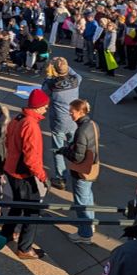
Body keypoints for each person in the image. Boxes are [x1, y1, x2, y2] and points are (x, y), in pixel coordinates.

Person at [1, 89, 50, 260]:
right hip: (23, 174)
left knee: (16, 204)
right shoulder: (31, 125)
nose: (46, 109)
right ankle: (24, 248)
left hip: (11, 169)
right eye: (45, 106)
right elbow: (31, 157)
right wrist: (43, 177)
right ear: (38, 107)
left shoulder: (18, 117)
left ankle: (6, 234)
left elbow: (7, 141)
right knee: (32, 211)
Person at [60, 99, 100, 245]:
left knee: (81, 203)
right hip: (92, 168)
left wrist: (65, 150)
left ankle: (85, 234)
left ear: (81, 111)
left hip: (81, 172)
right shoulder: (92, 124)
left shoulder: (81, 130)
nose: (70, 114)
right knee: (88, 197)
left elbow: (77, 157)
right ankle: (90, 224)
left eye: (72, 112)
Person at [41, 57, 82, 188]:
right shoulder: (76, 80)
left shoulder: (52, 84)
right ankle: (78, 171)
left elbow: (43, 92)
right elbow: (75, 74)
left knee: (58, 150)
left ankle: (61, 177)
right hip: (74, 120)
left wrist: (48, 76)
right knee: (74, 147)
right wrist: (64, 64)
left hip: (59, 121)